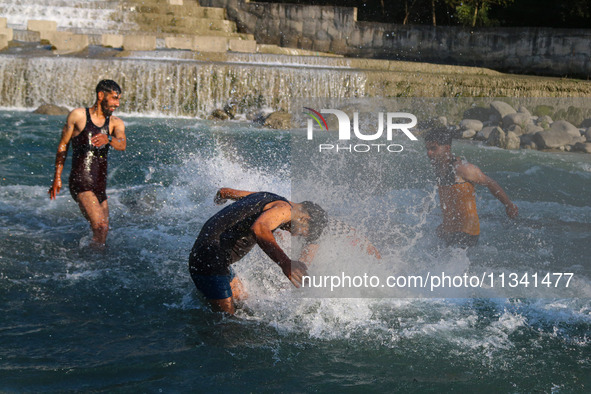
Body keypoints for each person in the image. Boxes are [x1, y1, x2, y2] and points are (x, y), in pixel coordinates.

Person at [189, 188, 380, 314]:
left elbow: (230, 192)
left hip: (212, 257)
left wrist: (223, 194)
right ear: (304, 217)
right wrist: (286, 263)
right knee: (226, 324)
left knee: (243, 305)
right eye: (303, 231)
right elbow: (260, 228)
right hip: (211, 261)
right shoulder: (284, 210)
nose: (296, 235)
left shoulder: (269, 198)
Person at [48, 80, 126, 248]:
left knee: (103, 231)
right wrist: (57, 178)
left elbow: (122, 144)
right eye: (114, 98)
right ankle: (91, 264)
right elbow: (63, 144)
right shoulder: (78, 116)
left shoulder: (115, 123)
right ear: (101, 95)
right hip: (81, 181)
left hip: (99, 184)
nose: (117, 103)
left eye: (118, 99)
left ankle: (93, 264)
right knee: (101, 227)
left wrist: (109, 138)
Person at [425, 128, 518, 248]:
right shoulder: (439, 168)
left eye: (433, 148)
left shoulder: (462, 168)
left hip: (466, 233)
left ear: (447, 148)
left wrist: (508, 205)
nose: (429, 153)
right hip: (449, 232)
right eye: (427, 149)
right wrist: (445, 225)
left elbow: (490, 183)